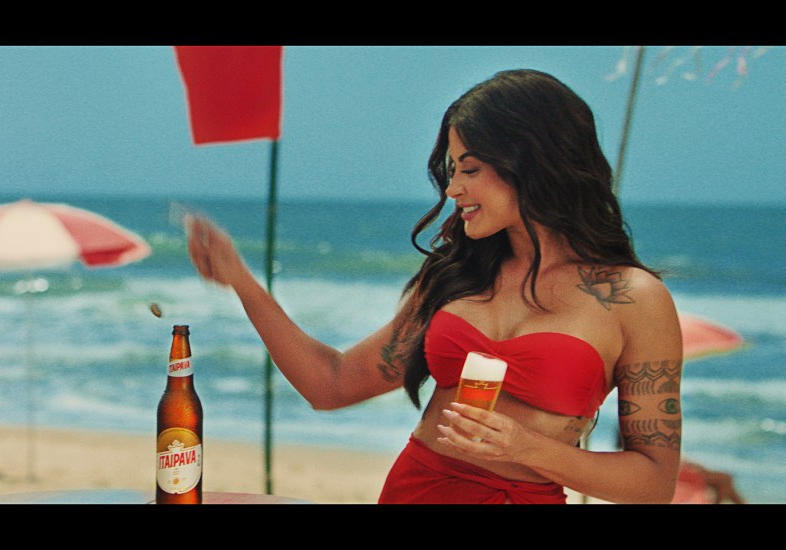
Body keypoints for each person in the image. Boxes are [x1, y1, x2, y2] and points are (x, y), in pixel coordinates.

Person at [184, 69, 684, 504]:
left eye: (470, 169)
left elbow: (654, 483)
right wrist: (242, 282)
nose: (452, 189)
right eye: (452, 169)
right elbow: (331, 384)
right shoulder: (456, 276)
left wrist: (527, 448)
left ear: (532, 164)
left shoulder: (632, 299)